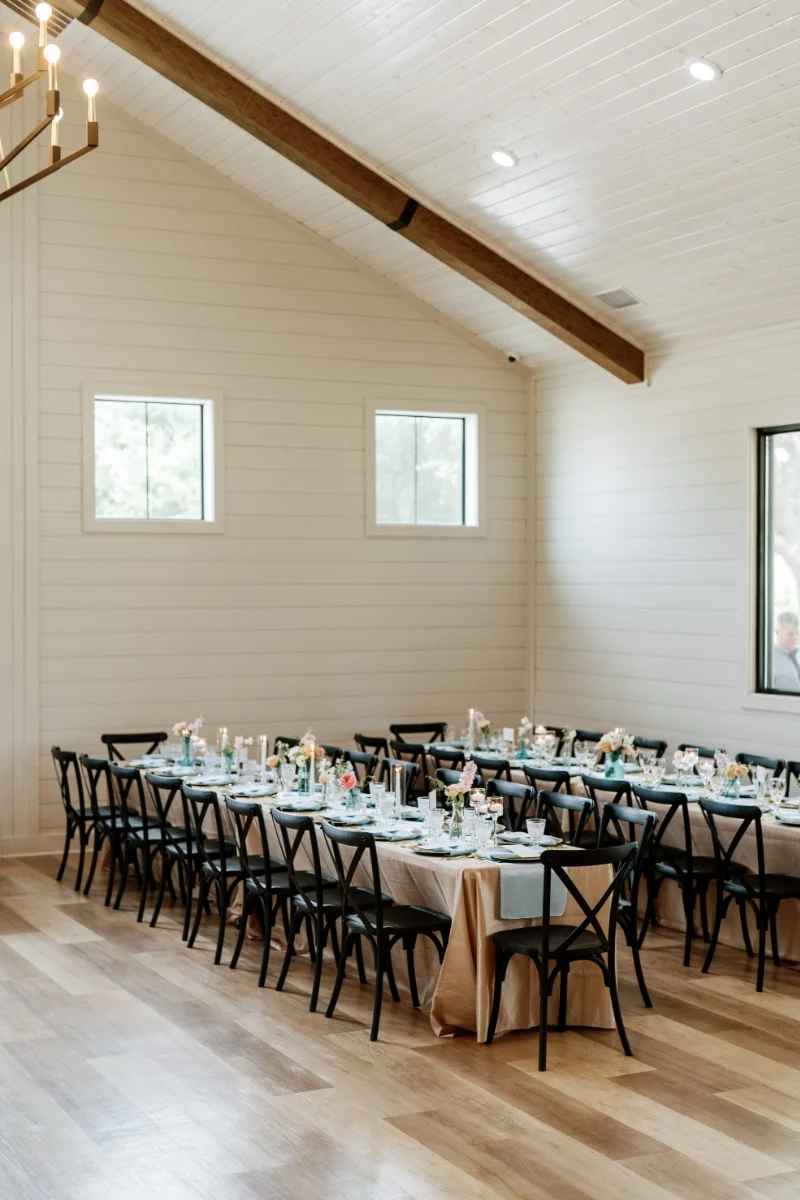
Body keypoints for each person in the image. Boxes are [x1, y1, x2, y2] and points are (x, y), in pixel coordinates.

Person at [772, 612, 800, 692]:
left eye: (797, 633)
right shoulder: (770, 658)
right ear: (778, 632)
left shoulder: (798, 654)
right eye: (790, 634)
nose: (795, 638)